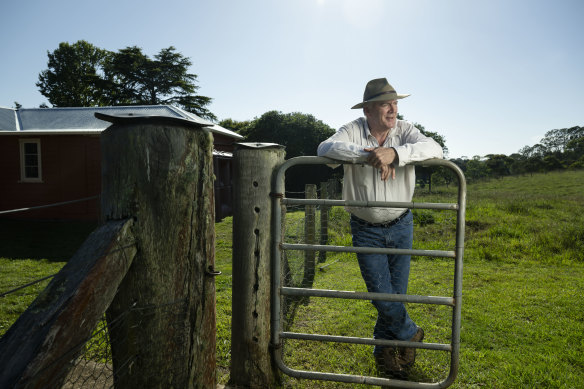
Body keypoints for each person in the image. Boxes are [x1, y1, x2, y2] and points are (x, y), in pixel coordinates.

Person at [317, 78, 443, 378]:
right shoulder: (354, 129)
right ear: (369, 109)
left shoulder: (405, 130)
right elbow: (325, 148)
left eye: (395, 103)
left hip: (402, 224)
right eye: (386, 104)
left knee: (394, 296)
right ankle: (410, 334)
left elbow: (433, 148)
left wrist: (396, 154)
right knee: (381, 295)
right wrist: (370, 155)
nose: (393, 109)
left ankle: (385, 354)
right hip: (366, 227)